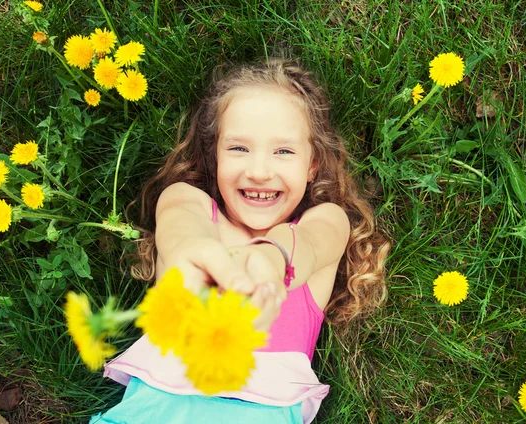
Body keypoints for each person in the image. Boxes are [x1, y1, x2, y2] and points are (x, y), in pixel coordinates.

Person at [90, 59, 389, 424]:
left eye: (284, 151)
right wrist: (192, 254)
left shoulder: (327, 220)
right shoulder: (189, 203)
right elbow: (179, 225)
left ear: (313, 165)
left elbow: (308, 242)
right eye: (238, 149)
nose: (259, 171)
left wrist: (271, 260)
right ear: (214, 156)